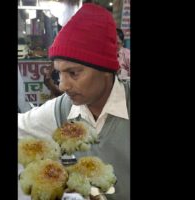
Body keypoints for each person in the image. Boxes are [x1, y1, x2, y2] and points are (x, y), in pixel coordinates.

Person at [18, 3, 130, 200]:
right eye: (58, 73)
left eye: (73, 73)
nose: (62, 86)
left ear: (105, 69)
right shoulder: (64, 109)